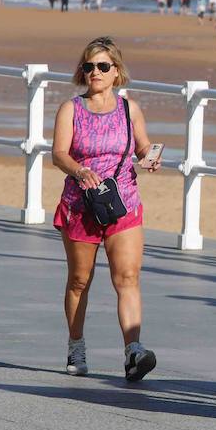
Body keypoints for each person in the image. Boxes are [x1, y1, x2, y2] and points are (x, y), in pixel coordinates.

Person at [50, 37, 161, 381]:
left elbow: (142, 147)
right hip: (81, 205)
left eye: (102, 66)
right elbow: (59, 153)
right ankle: (76, 344)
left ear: (116, 71)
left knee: (127, 277)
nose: (94, 73)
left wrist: (150, 158)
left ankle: (133, 350)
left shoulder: (130, 109)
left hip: (122, 200)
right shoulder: (72, 109)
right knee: (80, 281)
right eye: (89, 66)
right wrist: (79, 170)